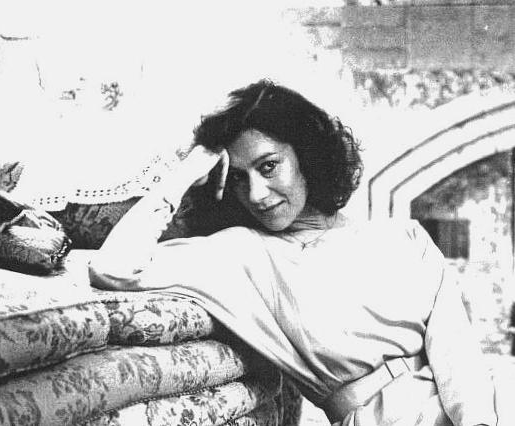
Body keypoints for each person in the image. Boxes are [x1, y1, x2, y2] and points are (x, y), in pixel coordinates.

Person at [89, 80, 498, 426]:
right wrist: (184, 174)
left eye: (269, 167)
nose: (256, 194)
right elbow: (113, 268)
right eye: (239, 179)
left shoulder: (403, 238)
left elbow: (459, 358)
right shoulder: (242, 255)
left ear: (307, 155)